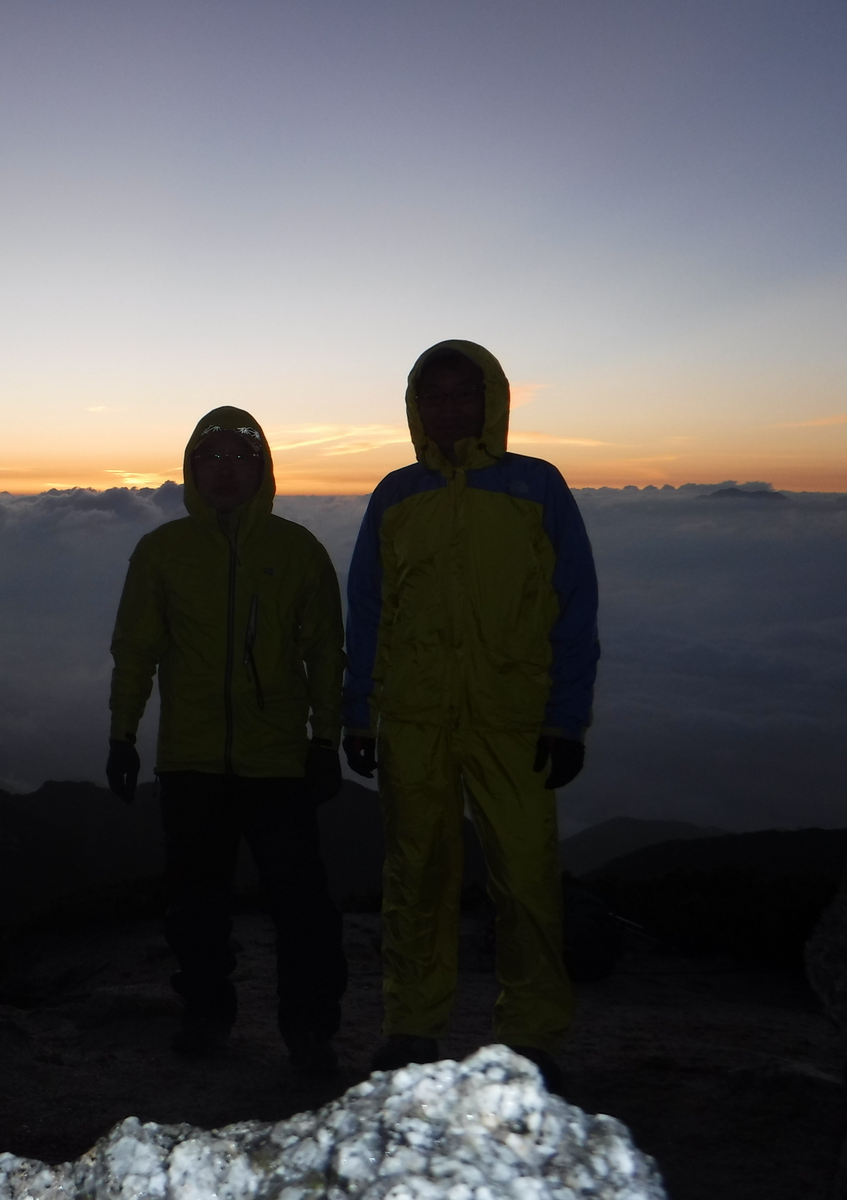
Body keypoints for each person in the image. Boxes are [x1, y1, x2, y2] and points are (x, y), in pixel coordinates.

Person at [342, 340, 599, 1093]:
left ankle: (533, 1036)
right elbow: (367, 606)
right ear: (415, 408)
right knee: (415, 874)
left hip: (512, 716)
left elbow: (574, 606)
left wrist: (565, 716)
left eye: (464, 394)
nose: (450, 408)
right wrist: (361, 714)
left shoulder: (537, 487)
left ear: (493, 401)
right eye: (435, 396)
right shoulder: (394, 494)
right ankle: (411, 1026)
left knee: (525, 879)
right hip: (415, 716)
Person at [104, 407, 348, 1076]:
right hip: (191, 761)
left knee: (303, 911)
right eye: (211, 456)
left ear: (263, 468)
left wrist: (326, 740)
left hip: (278, 763)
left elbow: (327, 652)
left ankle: (309, 1032)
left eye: (241, 456)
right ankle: (207, 1014)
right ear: (190, 469)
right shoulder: (162, 552)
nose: (226, 469)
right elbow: (137, 650)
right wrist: (123, 733)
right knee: (196, 908)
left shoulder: (297, 551)